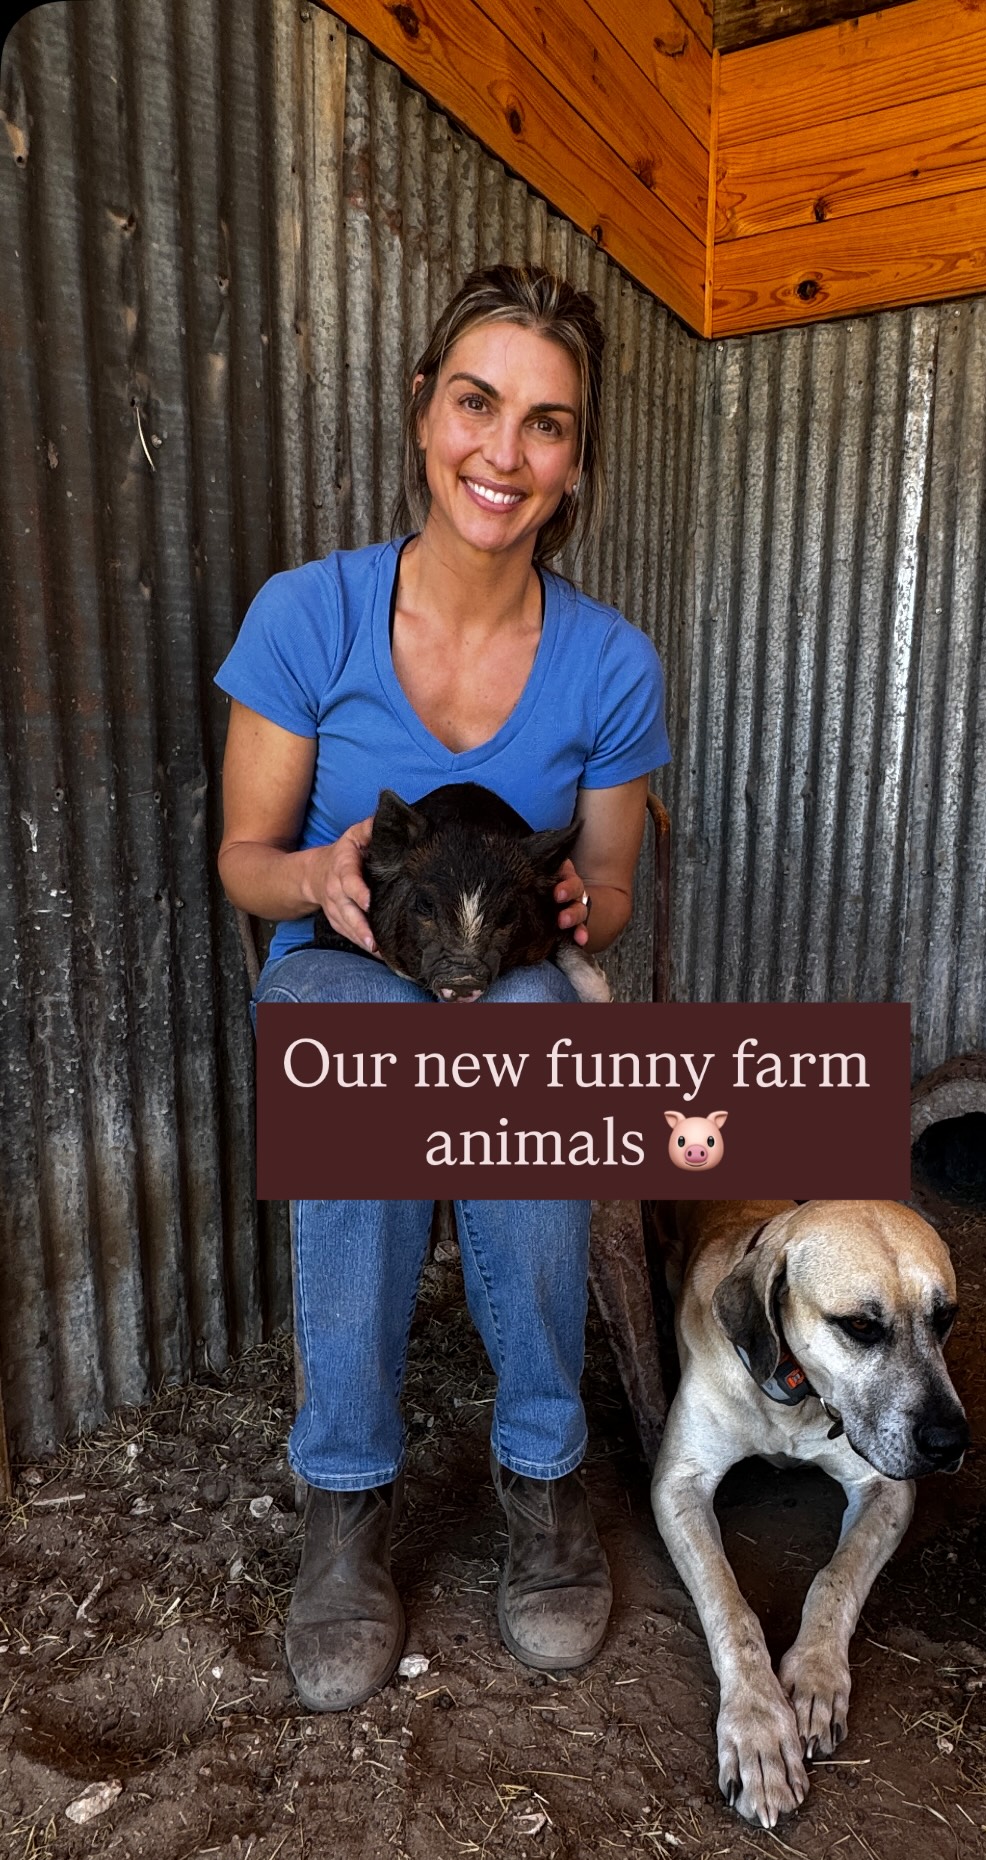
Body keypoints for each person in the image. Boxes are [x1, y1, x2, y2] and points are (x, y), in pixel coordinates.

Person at [216, 263, 670, 1715]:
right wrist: (318, 874)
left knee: (532, 1047)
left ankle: (541, 1472)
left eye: (547, 424)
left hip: (510, 974)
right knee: (361, 1066)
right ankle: (347, 1500)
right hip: (342, 960)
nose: (504, 452)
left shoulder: (612, 663)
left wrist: (579, 905)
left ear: (575, 461)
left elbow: (612, 886)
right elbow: (243, 860)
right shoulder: (310, 615)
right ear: (424, 411)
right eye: (478, 404)